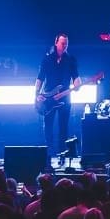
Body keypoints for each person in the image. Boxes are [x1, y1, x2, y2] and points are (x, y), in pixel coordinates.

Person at [34, 34, 81, 165]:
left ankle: (62, 154)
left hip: (65, 97)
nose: (64, 45)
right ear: (56, 43)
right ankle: (48, 154)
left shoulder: (71, 59)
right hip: (48, 97)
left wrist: (77, 83)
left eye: (66, 43)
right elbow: (40, 78)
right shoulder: (47, 59)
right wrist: (36, 94)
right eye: (62, 43)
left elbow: (76, 76)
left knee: (63, 127)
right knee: (48, 126)